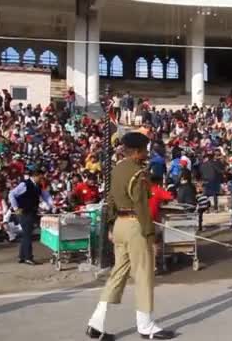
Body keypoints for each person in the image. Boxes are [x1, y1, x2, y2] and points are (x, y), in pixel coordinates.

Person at [86, 132, 174, 340]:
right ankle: (145, 325)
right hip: (136, 226)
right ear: (136, 152)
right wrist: (150, 234)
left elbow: (110, 199)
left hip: (119, 225)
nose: (146, 153)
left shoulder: (117, 170)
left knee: (118, 274)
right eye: (144, 149)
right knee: (144, 274)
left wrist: (110, 225)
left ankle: (96, 323)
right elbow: (141, 205)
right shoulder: (139, 173)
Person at [8, 170, 53, 265]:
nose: (41, 179)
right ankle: (28, 257)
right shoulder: (25, 184)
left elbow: (46, 196)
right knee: (28, 234)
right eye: (40, 177)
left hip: (32, 211)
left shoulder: (38, 186)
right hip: (24, 212)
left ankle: (22, 256)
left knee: (26, 234)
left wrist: (51, 205)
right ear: (35, 176)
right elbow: (12, 194)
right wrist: (16, 208)